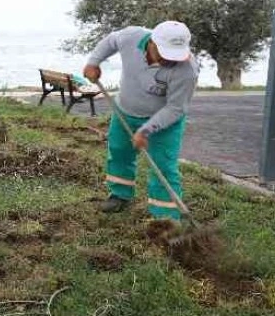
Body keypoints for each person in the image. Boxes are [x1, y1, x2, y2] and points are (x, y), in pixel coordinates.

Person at [82, 21, 199, 221]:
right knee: (119, 151)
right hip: (125, 111)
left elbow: (176, 108)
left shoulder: (187, 70)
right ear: (152, 43)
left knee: (162, 165)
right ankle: (119, 194)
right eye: (165, 53)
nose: (170, 60)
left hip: (164, 123)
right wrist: (93, 62)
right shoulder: (131, 37)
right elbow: (111, 41)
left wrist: (146, 130)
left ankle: (166, 217)